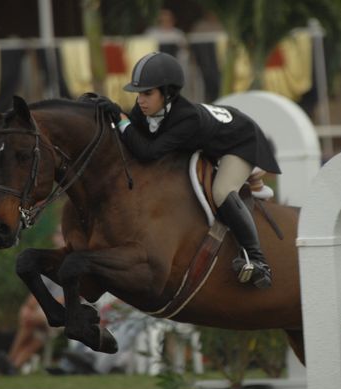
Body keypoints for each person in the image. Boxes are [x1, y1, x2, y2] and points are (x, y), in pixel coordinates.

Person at [98, 52, 281, 289]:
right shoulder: (145, 110)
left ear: (167, 93)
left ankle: (257, 259)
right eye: (138, 94)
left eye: (147, 93)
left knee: (222, 191)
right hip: (213, 139)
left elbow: (147, 152)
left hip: (241, 141)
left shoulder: (187, 118)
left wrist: (122, 120)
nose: (140, 100)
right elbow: (132, 139)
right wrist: (113, 117)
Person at [0, 277, 64, 376]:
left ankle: (9, 361)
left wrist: (35, 314)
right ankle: (13, 366)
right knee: (36, 332)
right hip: (45, 312)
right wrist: (27, 308)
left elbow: (60, 301)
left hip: (63, 313)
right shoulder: (48, 273)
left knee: (32, 322)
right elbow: (35, 294)